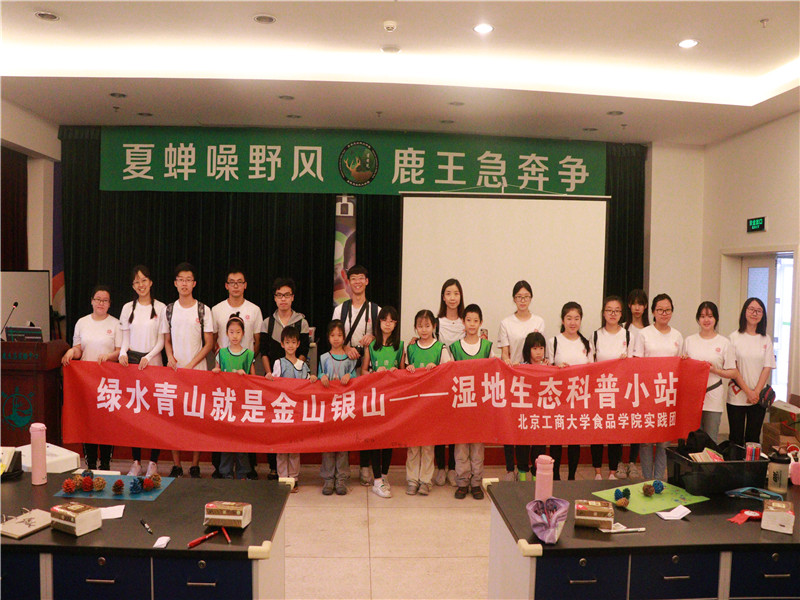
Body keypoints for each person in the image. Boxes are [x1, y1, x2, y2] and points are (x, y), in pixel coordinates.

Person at [160, 262, 214, 478]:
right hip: (175, 373)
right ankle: (176, 465)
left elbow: (209, 343)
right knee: (175, 418)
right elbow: (166, 340)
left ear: (194, 283)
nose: (184, 283)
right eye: (181, 280)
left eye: (188, 280)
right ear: (175, 283)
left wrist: (191, 364)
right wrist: (170, 357)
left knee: (195, 418)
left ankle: (195, 464)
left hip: (197, 371)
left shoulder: (203, 309)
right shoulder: (169, 310)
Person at [61, 285, 121, 471]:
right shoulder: (82, 322)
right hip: (86, 380)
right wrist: (71, 352)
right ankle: (91, 463)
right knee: (88, 422)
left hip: (108, 381)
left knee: (106, 422)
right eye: (98, 299)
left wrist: (108, 356)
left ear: (109, 304)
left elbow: (120, 351)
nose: (101, 303)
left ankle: (105, 463)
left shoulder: (116, 324)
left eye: (105, 300)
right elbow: (79, 349)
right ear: (92, 301)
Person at [211, 268, 263, 479]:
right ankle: (221, 469)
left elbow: (257, 341)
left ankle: (247, 469)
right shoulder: (216, 310)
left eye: (239, 282)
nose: (235, 286)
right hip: (224, 390)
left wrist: (246, 363)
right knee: (223, 429)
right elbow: (212, 340)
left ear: (245, 285)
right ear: (226, 285)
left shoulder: (254, 310)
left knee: (245, 429)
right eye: (231, 282)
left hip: (244, 388)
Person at [331, 265, 380, 486]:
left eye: (361, 278)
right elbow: (333, 336)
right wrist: (346, 348)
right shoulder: (340, 310)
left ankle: (364, 466)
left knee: (367, 418)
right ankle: (343, 469)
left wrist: (373, 338)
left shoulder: (376, 310)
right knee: (345, 415)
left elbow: (385, 337)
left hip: (367, 371)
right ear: (348, 282)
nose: (357, 282)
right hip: (344, 370)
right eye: (353, 278)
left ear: (367, 281)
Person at [261, 277, 311, 481]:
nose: (283, 299)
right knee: (274, 425)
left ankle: (293, 474)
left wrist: (295, 372)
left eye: (287, 295)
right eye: (279, 295)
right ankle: (275, 468)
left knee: (293, 428)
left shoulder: (301, 322)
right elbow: (264, 352)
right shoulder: (267, 322)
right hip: (274, 382)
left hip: (295, 386)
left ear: (293, 297)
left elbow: (304, 351)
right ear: (275, 298)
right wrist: (271, 377)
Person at [118, 265, 166, 478]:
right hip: (133, 367)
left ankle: (153, 462)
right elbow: (125, 337)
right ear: (133, 285)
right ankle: (136, 462)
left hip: (153, 364)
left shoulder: (161, 308)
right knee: (135, 415)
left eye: (144, 280)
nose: (141, 285)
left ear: (151, 282)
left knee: (155, 416)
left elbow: (162, 341)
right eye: (137, 281)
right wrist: (122, 352)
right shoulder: (128, 308)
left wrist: (149, 356)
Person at [497, 280, 545, 481]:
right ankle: (511, 469)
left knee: (532, 424)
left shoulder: (538, 321)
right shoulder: (506, 323)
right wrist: (509, 362)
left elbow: (540, 348)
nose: (522, 300)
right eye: (519, 297)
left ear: (531, 298)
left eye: (526, 297)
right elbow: (504, 352)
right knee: (512, 424)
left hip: (535, 381)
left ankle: (531, 471)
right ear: (514, 299)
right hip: (513, 379)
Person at [632, 293, 683, 480]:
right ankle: (647, 479)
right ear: (653, 312)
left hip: (668, 394)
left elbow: (681, 364)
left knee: (664, 441)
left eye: (667, 310)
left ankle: (659, 480)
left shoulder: (677, 335)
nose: (664, 313)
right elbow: (636, 364)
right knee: (646, 441)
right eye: (660, 310)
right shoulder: (644, 334)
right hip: (647, 394)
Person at [405, 309, 452, 496]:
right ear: (415, 328)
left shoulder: (440, 348)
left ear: (434, 326)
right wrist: (408, 368)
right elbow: (404, 373)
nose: (423, 330)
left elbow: (449, 371)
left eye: (427, 326)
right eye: (420, 326)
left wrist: (437, 368)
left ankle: (425, 480)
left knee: (427, 445)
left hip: (432, 405)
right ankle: (412, 479)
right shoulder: (411, 348)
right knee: (413, 445)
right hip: (413, 404)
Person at [360, 306, 404, 499]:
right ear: (378, 322)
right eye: (384, 320)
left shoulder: (400, 346)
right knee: (375, 438)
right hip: (375, 398)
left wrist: (397, 373)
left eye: (391, 320)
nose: (388, 323)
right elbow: (363, 370)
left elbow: (403, 372)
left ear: (396, 324)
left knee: (389, 438)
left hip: (392, 397)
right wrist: (373, 374)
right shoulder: (372, 345)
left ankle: (384, 476)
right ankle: (376, 479)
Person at [450, 304, 492, 500]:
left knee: (477, 448)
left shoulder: (488, 347)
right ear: (463, 322)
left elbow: (495, 373)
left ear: (481, 322)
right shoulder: (454, 348)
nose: (472, 324)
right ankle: (462, 482)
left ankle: (476, 483)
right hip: (460, 405)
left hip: (480, 407)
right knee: (461, 448)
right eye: (469, 320)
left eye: (476, 320)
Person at [546, 302, 592, 481]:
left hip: (579, 397)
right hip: (559, 397)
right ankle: (556, 476)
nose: (573, 322)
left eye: (577, 318)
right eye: (569, 318)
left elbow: (592, 370)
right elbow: (547, 369)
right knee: (556, 439)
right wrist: (557, 369)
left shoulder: (586, 343)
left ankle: (572, 477)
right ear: (562, 320)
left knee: (574, 439)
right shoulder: (554, 341)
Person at [682, 301, 738, 443]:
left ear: (716, 319)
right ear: (698, 319)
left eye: (710, 316)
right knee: (693, 440)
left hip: (713, 395)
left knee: (710, 440)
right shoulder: (689, 341)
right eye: (702, 316)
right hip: (693, 396)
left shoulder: (724, 342)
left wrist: (715, 370)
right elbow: (682, 369)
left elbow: (733, 372)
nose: (706, 320)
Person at [590, 295, 631, 480]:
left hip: (619, 391)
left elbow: (634, 364)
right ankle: (598, 471)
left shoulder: (628, 335)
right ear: (603, 313)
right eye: (609, 310)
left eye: (616, 311)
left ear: (621, 314)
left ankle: (613, 471)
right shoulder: (596, 335)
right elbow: (590, 364)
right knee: (598, 430)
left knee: (615, 431)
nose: (613, 314)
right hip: (599, 391)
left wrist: (626, 362)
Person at [271, 325, 317, 492]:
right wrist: (269, 378)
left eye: (293, 342)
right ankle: (283, 477)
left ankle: (294, 478)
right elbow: (273, 384)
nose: (290, 345)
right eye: (287, 342)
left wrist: (312, 378)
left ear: (298, 344)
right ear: (282, 344)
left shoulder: (303, 365)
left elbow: (308, 383)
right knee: (282, 447)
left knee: (295, 447)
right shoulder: (278, 363)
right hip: (282, 411)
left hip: (297, 411)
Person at [727, 297, 776, 446]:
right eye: (751, 309)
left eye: (759, 311)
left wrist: (756, 392)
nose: (755, 313)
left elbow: (767, 367)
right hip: (737, 396)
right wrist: (748, 391)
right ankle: (735, 462)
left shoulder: (765, 339)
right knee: (735, 438)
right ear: (745, 312)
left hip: (758, 398)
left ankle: (751, 464)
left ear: (763, 315)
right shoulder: (734, 337)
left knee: (753, 438)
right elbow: (733, 368)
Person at [318, 320, 359, 496]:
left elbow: (355, 376)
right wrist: (322, 376)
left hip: (344, 407)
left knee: (342, 444)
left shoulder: (349, 358)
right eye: (333, 335)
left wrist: (350, 375)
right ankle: (328, 479)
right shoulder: (323, 357)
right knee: (328, 443)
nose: (336, 338)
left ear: (344, 338)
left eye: (339, 335)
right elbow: (319, 374)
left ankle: (341, 478)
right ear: (328, 337)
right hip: (328, 407)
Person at [212, 316, 255, 478]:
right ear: (226, 333)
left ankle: (244, 472)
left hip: (243, 402)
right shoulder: (221, 353)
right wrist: (216, 372)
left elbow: (254, 380)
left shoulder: (248, 354)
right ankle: (225, 472)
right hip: (226, 402)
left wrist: (245, 376)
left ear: (243, 333)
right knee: (226, 438)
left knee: (242, 438)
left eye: (238, 332)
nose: (235, 335)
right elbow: (216, 373)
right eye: (231, 332)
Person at [434, 278, 465, 487]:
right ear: (443, 297)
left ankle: (453, 468)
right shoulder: (436, 322)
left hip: (461, 381)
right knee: (439, 424)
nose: (452, 298)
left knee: (455, 425)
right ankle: (440, 467)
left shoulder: (466, 321)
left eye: (456, 293)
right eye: (448, 293)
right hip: (440, 380)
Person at [520, 332, 555, 481]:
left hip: (542, 414)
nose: (538, 352)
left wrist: (559, 369)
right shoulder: (521, 367)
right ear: (528, 350)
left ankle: (536, 477)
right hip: (525, 413)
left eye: (541, 348)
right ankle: (522, 475)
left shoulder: (549, 367)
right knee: (522, 445)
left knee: (539, 446)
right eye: (534, 349)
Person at [622, 288, 649, 479]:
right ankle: (619, 462)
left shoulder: (650, 330)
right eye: (634, 303)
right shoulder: (623, 328)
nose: (637, 308)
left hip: (644, 384)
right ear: (629, 305)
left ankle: (632, 461)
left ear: (646, 306)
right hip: (624, 382)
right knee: (622, 421)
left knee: (637, 423)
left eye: (641, 304)